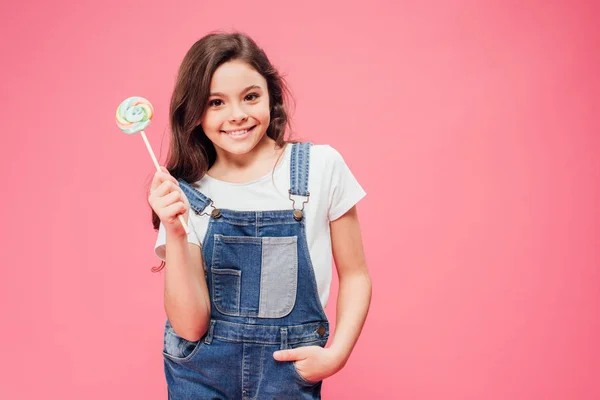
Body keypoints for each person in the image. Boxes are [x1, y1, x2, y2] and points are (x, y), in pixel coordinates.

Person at [148, 31, 372, 399]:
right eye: (215, 102)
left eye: (250, 96)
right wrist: (174, 231)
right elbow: (190, 326)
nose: (237, 115)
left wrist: (337, 355)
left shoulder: (320, 166)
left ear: (271, 95)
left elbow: (356, 274)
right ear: (194, 111)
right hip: (200, 373)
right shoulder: (184, 192)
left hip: (287, 370)